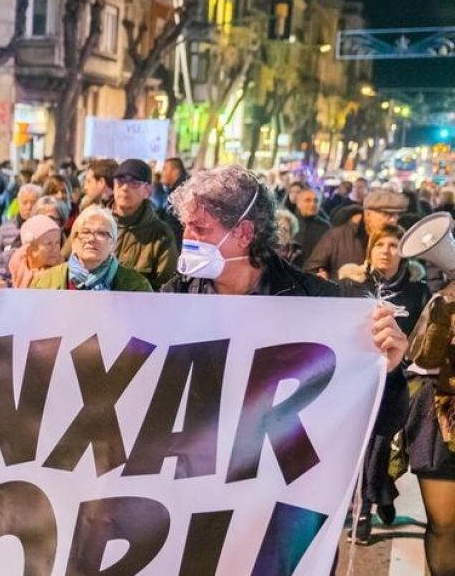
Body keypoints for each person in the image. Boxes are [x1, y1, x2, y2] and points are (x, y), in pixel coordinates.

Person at [162, 165, 408, 551]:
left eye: (200, 228)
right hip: (197, 494)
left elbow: (383, 422)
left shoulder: (318, 303)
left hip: (279, 506)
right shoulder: (172, 299)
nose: (187, 237)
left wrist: (387, 370)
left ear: (243, 233)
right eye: (186, 226)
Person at [337, 224, 428, 542]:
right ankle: (366, 505)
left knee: (381, 444)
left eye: (393, 245)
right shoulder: (350, 286)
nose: (386, 251)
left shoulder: (417, 291)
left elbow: (422, 337)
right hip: (356, 376)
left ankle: (378, 493)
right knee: (363, 444)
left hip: (398, 379)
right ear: (369, 250)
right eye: (380, 245)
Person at [400, 274, 455, 575]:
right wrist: (445, 312)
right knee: (443, 523)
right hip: (443, 416)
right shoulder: (444, 299)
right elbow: (423, 357)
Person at [29, 205, 152, 291]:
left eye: (102, 233)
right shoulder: (45, 282)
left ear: (113, 244)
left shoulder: (137, 286)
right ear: (74, 240)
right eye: (85, 232)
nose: (91, 239)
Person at [107, 159, 178, 290]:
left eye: (134, 183)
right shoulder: (95, 224)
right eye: (120, 182)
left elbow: (165, 287)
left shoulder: (161, 235)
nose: (125, 188)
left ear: (148, 190)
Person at [305, 188, 407, 280]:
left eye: (396, 215)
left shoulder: (399, 238)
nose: (394, 220)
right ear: (368, 214)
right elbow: (311, 270)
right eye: (387, 214)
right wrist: (325, 280)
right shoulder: (336, 237)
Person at [3, 214, 63, 288]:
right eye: (48, 243)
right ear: (30, 247)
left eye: (57, 243)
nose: (55, 248)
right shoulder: (6, 273)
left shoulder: (65, 274)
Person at [0, 183, 41, 267]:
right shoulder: (5, 228)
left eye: (33, 202)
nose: (29, 207)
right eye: (24, 202)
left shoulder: (45, 227)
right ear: (18, 203)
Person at [293, 186, 330, 260]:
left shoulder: (325, 227)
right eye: (307, 200)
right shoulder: (289, 223)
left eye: (316, 201)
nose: (313, 204)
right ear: (298, 203)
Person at [157, 157, 188, 244]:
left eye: (165, 169)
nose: (162, 173)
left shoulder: (182, 190)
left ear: (175, 171)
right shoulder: (177, 189)